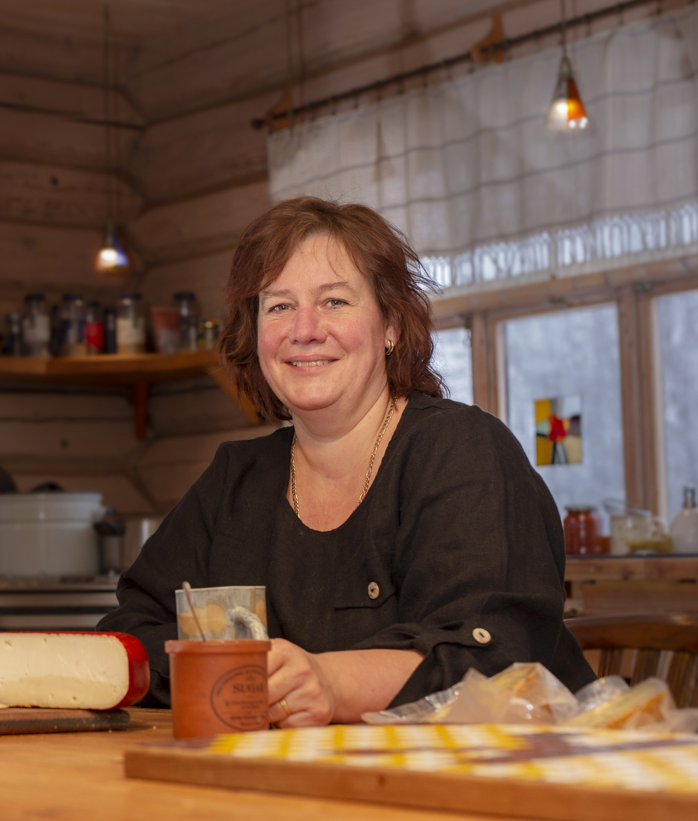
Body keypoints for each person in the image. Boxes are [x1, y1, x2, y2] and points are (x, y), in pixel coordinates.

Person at [97, 197, 594, 727]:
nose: (304, 329)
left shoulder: (462, 449)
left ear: (391, 327)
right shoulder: (235, 479)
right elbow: (134, 631)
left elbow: (499, 656)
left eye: (334, 301)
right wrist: (245, 679)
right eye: (279, 306)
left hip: (510, 782)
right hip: (300, 784)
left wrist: (331, 683)